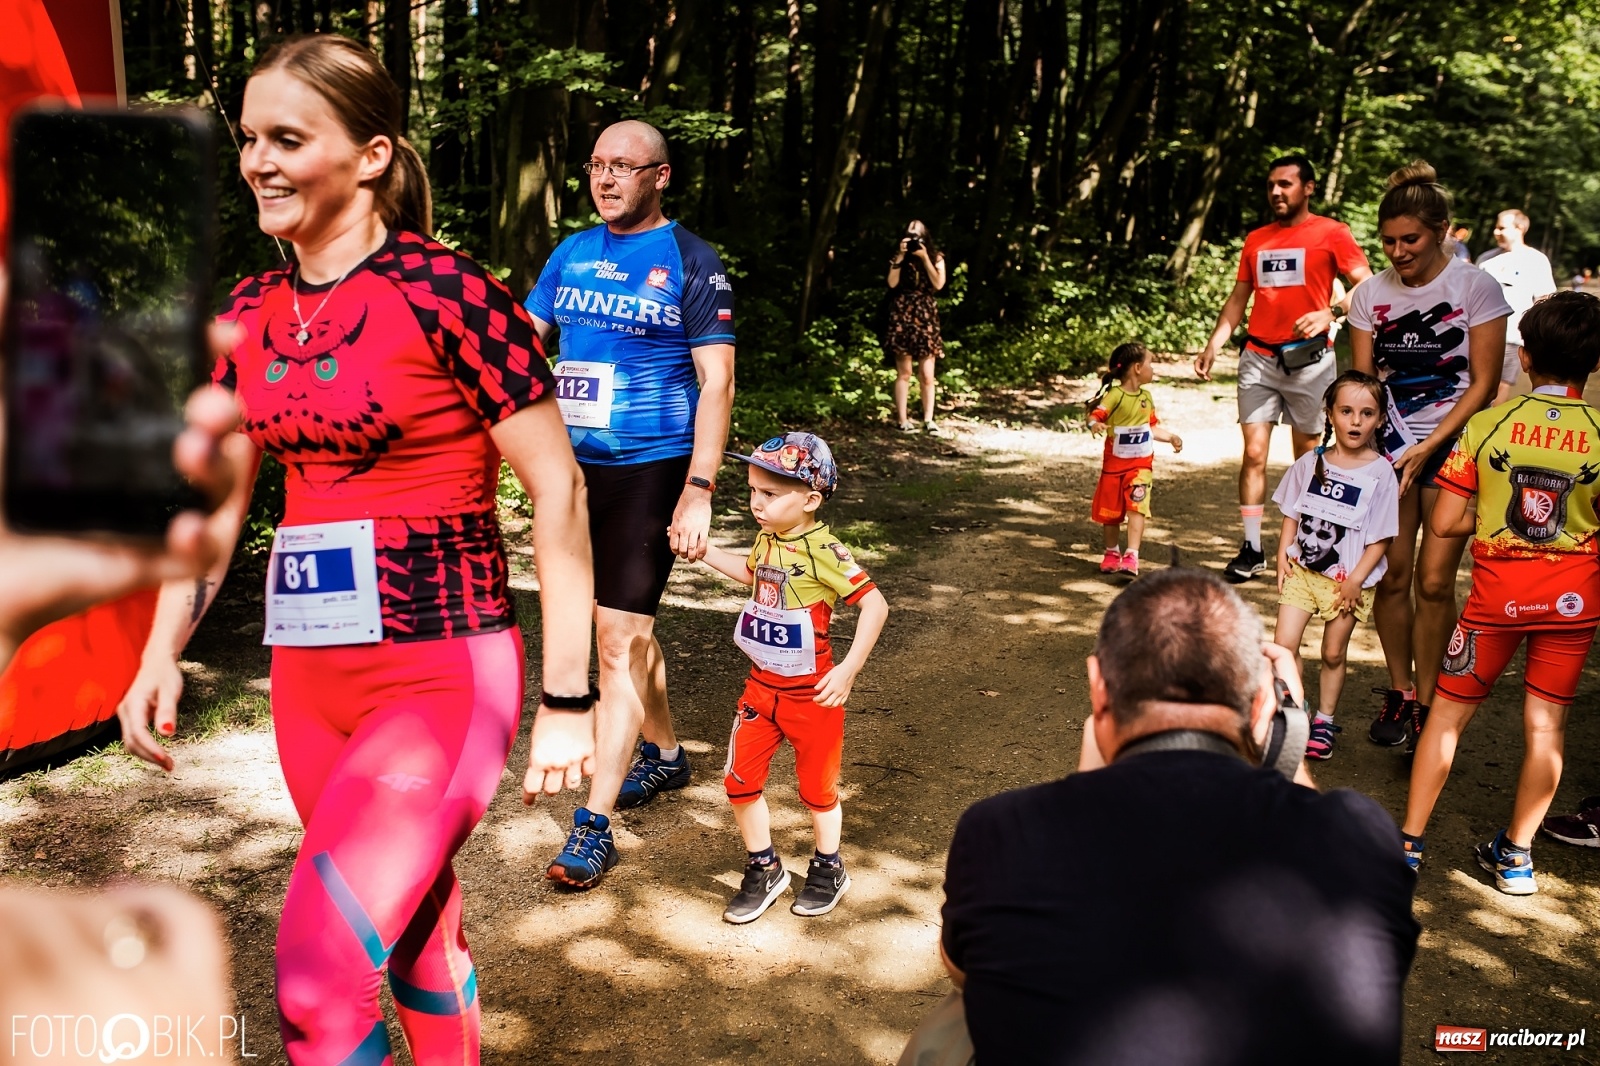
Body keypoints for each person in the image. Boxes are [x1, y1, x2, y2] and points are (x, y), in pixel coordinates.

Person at [114, 36, 597, 1066]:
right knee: (415, 922)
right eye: (249, 139)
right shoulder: (245, 313)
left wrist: (568, 698)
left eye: (288, 138)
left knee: (316, 982)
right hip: (310, 678)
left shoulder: (452, 295)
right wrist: (160, 648)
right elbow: (212, 506)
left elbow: (556, 486)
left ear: (371, 154)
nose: (258, 162)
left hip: (441, 675)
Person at [938, 569, 1419, 1065]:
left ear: (1098, 687)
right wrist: (1290, 733)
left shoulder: (1000, 831)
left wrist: (1087, 782)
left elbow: (965, 972)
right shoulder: (1357, 838)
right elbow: (1379, 975)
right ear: (1261, 706)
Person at [524, 119, 737, 888]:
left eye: (624, 166)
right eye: (596, 165)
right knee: (628, 633)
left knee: (615, 639)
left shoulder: (692, 261)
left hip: (653, 469)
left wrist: (700, 491)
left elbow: (717, 382)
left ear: (661, 176)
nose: (606, 178)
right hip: (574, 475)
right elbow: (524, 343)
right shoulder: (572, 252)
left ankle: (593, 825)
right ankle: (670, 756)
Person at [1399, 291, 1600, 894]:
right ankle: (1516, 857)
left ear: (1526, 355)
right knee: (1546, 728)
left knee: (1447, 719)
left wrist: (1496, 519)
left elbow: (1444, 524)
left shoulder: (1488, 425)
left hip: (1496, 602)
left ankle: (1407, 848)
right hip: (1574, 603)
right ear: (1593, 365)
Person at [691, 433, 889, 923]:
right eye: (753, 491)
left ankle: (828, 867)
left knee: (818, 791)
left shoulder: (826, 550)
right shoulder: (768, 539)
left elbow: (875, 605)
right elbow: (751, 574)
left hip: (813, 694)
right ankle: (765, 867)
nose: (757, 503)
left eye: (770, 494)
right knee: (738, 781)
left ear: (811, 499)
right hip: (761, 688)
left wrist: (848, 670)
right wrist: (705, 551)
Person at [1349, 161, 1510, 752]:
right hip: (1388, 452)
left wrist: (1430, 445)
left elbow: (1484, 383)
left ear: (1441, 229)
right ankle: (1402, 693)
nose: (1397, 252)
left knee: (1436, 583)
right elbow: (1362, 385)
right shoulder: (1369, 295)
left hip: (1454, 446)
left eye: (1409, 239)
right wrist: (1371, 452)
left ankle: (1434, 698)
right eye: (1388, 241)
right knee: (1392, 578)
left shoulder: (1476, 288)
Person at [1194, 155, 1373, 584]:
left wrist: (1330, 313)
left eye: (1286, 184)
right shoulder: (1257, 239)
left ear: (1308, 187)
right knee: (1253, 453)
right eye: (1272, 184)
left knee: (1308, 458)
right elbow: (1240, 297)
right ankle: (1253, 548)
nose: (1276, 191)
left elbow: (1365, 286)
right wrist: (1214, 344)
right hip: (1258, 357)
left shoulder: (1333, 232)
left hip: (1310, 360)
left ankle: (1310, 545)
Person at [1271, 371, 1400, 761]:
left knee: (1331, 653)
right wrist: (1282, 553)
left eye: (1367, 412)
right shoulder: (1311, 463)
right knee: (1283, 646)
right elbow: (1292, 512)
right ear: (1329, 414)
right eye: (1346, 411)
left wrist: (1356, 580)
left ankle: (1324, 721)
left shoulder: (1381, 473)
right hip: (1303, 573)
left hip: (1347, 583)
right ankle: (1297, 714)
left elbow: (1381, 538)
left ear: (1379, 419)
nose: (1356, 421)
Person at [1086, 341, 1183, 577]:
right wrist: (1095, 424)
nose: (1153, 368)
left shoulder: (1146, 398)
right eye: (1151, 363)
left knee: (1137, 506)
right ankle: (1111, 553)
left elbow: (1150, 427)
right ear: (1138, 368)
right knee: (1111, 513)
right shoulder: (1115, 395)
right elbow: (1095, 414)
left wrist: (1170, 437)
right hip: (1113, 467)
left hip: (1140, 467)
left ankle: (1131, 555)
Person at [1479, 209, 1558, 404]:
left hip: (1511, 337)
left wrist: (1537, 337)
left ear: (1519, 228)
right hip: (1477, 335)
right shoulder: (1485, 260)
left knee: (1499, 386)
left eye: (1501, 228)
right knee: (1475, 383)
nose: (1496, 232)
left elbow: (1544, 300)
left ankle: (1492, 429)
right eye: (1496, 228)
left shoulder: (1536, 260)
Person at [885, 220, 948, 433]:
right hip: (903, 314)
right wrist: (902, 257)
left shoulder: (936, 257)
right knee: (904, 372)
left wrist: (925, 258)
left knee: (927, 374)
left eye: (917, 237)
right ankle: (903, 420)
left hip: (926, 315)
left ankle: (929, 419)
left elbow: (938, 284)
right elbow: (892, 283)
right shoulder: (899, 258)